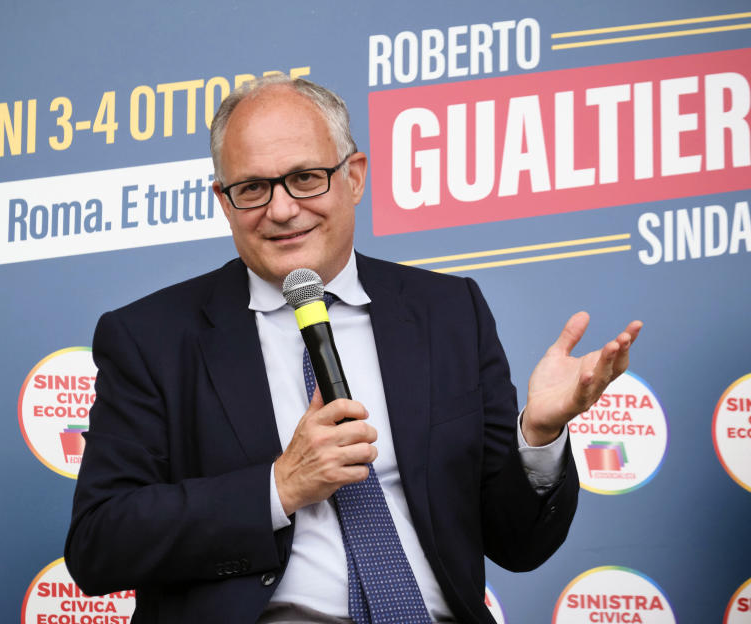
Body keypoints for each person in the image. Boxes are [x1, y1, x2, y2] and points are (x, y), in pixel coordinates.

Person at [65, 75, 642, 624]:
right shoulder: (151, 338)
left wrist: (537, 438)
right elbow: (99, 544)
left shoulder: (448, 312)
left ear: (355, 175)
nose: (283, 209)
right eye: (252, 189)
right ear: (224, 200)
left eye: (306, 177)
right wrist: (278, 486)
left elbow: (519, 544)